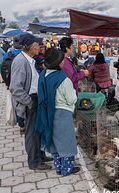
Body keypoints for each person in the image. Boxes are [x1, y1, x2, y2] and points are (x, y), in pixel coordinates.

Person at [10, 34, 52, 170]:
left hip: (35, 99)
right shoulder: (20, 61)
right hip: (30, 100)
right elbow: (15, 88)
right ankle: (34, 162)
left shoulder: (30, 60)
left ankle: (40, 155)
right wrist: (29, 102)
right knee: (32, 132)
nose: (39, 47)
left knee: (38, 130)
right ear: (30, 46)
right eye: (37, 44)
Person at [36, 48, 80, 176]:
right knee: (66, 141)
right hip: (63, 113)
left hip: (48, 112)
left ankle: (59, 167)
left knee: (54, 140)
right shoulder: (63, 79)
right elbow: (72, 98)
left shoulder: (43, 75)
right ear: (58, 63)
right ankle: (67, 169)